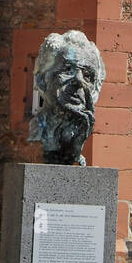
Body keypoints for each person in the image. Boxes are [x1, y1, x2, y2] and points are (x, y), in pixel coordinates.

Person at [29, 29, 105, 165]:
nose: (79, 81)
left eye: (87, 75)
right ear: (42, 79)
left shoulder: (84, 127)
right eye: (68, 69)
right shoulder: (38, 129)